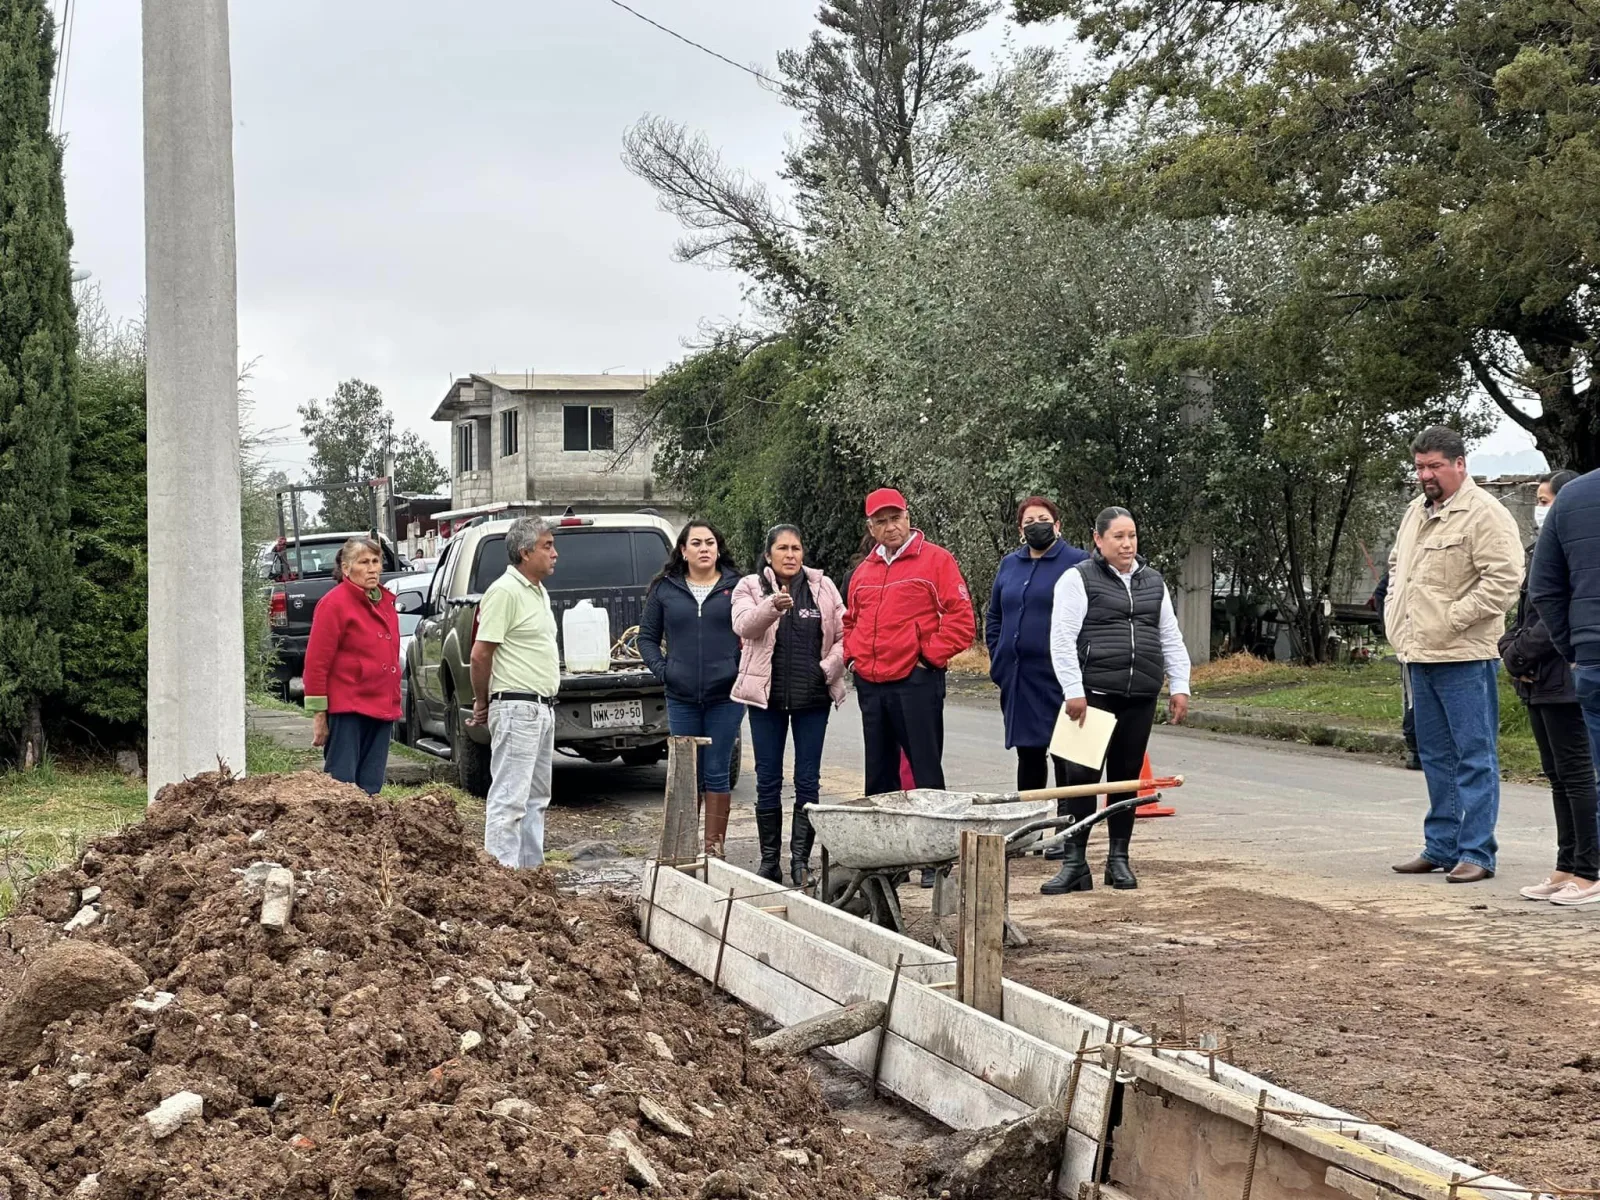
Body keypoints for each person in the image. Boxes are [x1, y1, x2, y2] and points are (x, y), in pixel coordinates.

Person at [1385, 426, 1523, 884]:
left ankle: (1477, 852)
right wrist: (1396, 616)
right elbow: (1398, 569)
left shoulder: (1485, 513)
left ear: (1460, 464)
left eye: (1434, 466)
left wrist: (1453, 618)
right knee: (1434, 755)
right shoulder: (1415, 512)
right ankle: (1441, 845)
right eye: (1420, 466)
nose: (1425, 475)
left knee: (1473, 755)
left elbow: (1503, 580)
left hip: (1464, 655)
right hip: (1419, 653)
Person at [1045, 507, 1191, 894]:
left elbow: (1169, 635)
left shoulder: (1153, 581)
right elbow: (1061, 637)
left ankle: (1118, 860)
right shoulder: (1076, 579)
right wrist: (1073, 690)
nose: (1127, 544)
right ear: (1098, 539)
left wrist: (1180, 685)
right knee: (1080, 781)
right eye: (1118, 537)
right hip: (1092, 696)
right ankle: (1074, 863)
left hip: (1139, 695)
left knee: (1125, 782)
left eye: (1132, 536)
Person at [844, 489, 976, 885]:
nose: (890, 526)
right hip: (872, 683)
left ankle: (935, 860)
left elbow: (962, 620)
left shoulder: (936, 560)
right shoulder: (863, 572)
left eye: (895, 517)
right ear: (871, 527)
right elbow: (850, 621)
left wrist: (927, 658)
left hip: (916, 681)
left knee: (925, 770)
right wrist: (853, 659)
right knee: (879, 775)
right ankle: (888, 862)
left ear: (907, 516)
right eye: (881, 521)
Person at [1502, 471, 1599, 904]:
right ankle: (1567, 866)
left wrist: (1537, 651)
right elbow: (1530, 604)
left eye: (1545, 499)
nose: (1541, 508)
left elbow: (1548, 602)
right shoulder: (1543, 540)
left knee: (1578, 776)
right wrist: (1512, 649)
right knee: (1558, 776)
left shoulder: (1574, 515)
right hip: (1545, 675)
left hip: (1566, 672)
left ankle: (1589, 867)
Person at [732, 524, 848, 884]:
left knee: (808, 781)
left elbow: (846, 635)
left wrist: (828, 668)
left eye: (796, 548)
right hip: (765, 701)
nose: (790, 555)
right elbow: (743, 626)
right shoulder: (750, 586)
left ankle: (801, 862)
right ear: (769, 554)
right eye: (782, 548)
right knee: (767, 780)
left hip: (812, 699)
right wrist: (772, 606)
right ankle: (770, 862)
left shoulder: (823, 588)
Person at [640, 520, 744, 858]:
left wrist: (738, 668)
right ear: (683, 551)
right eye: (696, 543)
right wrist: (664, 671)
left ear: (718, 548)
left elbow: (754, 633)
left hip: (726, 697)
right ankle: (683, 849)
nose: (704, 549)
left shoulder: (737, 586)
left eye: (710, 542)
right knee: (687, 773)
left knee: (716, 771)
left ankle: (714, 850)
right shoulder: (665, 589)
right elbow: (647, 638)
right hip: (681, 696)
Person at [469, 516, 561, 869]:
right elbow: (481, 653)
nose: (554, 554)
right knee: (510, 800)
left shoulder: (537, 591)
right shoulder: (504, 592)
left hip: (542, 707)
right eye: (547, 546)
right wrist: (482, 701)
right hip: (517, 706)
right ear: (525, 553)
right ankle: (502, 880)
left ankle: (531, 876)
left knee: (537, 798)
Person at [987, 496, 1090, 791]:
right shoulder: (1009, 564)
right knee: (1029, 756)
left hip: (1062, 678)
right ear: (1020, 529)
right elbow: (995, 615)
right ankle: (1031, 830)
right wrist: (999, 655)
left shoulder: (1078, 562)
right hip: (1020, 678)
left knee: (1067, 759)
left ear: (1057, 525)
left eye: (1043, 520)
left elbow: (1092, 615)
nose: (1037, 527)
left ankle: (1067, 832)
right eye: (1029, 522)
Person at [304, 537, 402, 795]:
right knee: (342, 785)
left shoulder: (384, 602)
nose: (372, 568)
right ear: (346, 569)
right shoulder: (334, 604)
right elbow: (316, 663)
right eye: (364, 562)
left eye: (376, 561)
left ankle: (367, 834)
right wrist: (319, 714)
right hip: (349, 707)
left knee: (371, 785)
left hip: (381, 706)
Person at [1370, 569, 1421, 770]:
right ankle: (1415, 749)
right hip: (1411, 641)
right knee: (1414, 697)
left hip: (1441, 642)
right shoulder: (1407, 557)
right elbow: (1381, 592)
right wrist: (1391, 629)